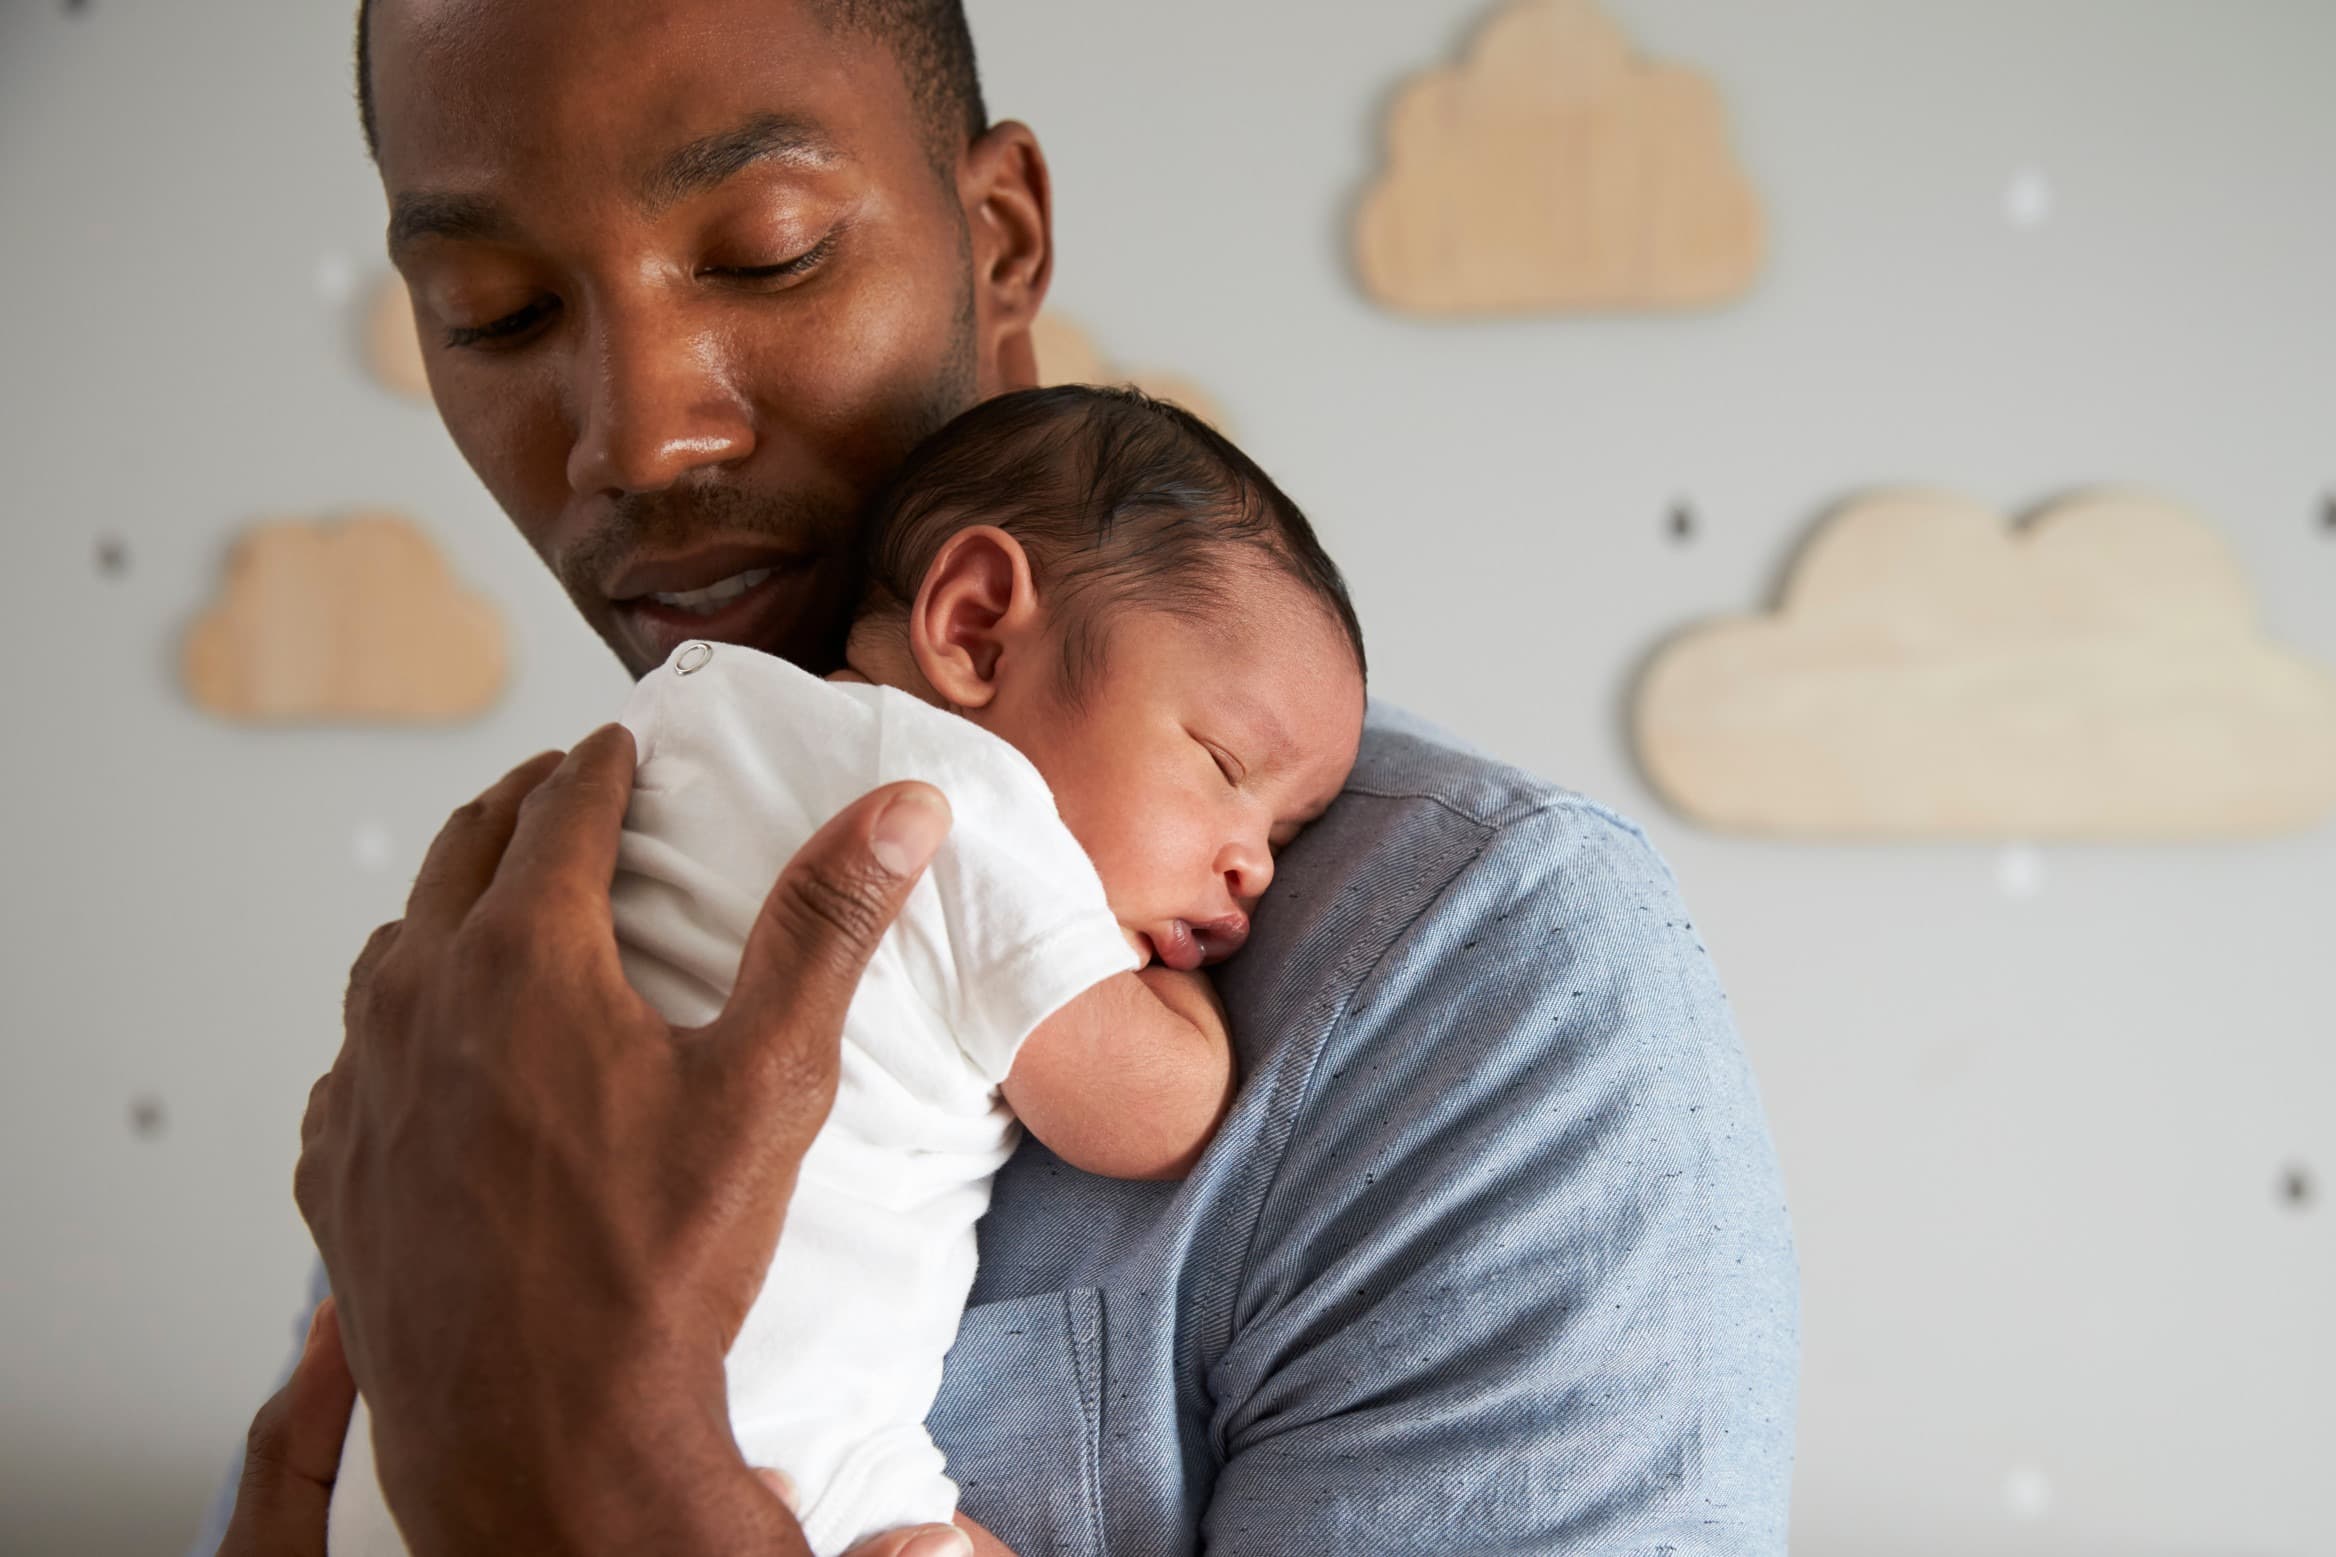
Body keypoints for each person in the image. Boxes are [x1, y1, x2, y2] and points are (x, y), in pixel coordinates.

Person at [199, 1, 1800, 1553]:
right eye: (494, 310)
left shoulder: (1483, 979)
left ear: (1002, 243)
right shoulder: (522, 940)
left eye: (767, 251)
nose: (634, 437)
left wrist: (614, 1499)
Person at [326, 385, 1369, 1556]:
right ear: (974, 627)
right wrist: (1168, 987)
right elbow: (1153, 1113)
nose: (1253, 869)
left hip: (404, 1449)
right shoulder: (963, 805)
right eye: (1225, 766)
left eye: (1282, 838)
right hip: (759, 1446)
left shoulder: (692, 718)